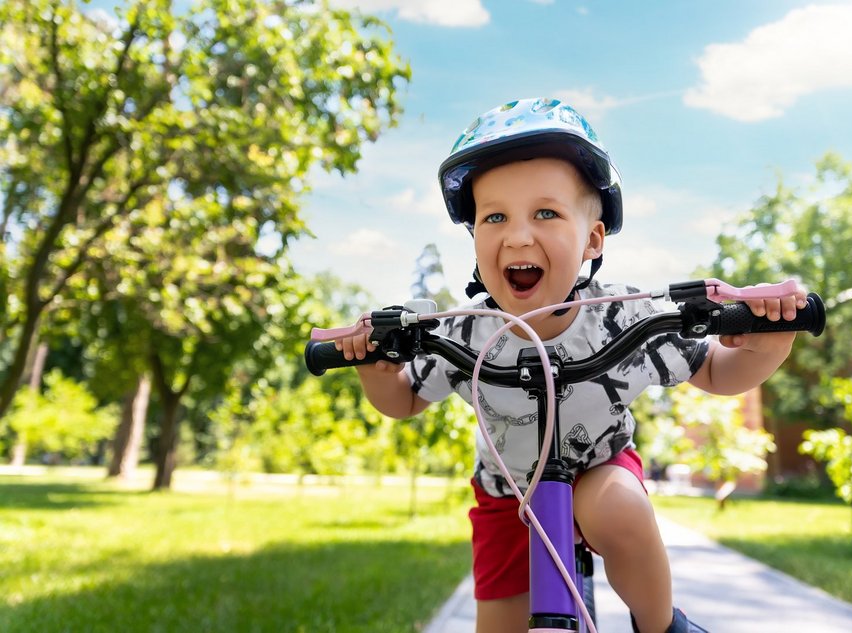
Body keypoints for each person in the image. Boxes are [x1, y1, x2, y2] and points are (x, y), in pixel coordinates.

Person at [335, 98, 806, 633]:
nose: (516, 235)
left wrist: (771, 342)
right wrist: (376, 369)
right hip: (507, 495)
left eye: (546, 213)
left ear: (592, 239)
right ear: (475, 239)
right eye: (494, 216)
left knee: (618, 508)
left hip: (599, 470)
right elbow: (406, 399)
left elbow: (720, 373)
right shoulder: (466, 329)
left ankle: (662, 625)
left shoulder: (623, 315)